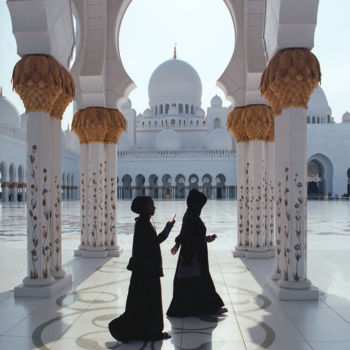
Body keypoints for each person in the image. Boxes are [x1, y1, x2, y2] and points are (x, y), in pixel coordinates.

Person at [108, 196, 175, 342]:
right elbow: (152, 244)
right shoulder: (143, 225)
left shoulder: (143, 223)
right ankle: (146, 332)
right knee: (148, 302)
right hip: (146, 271)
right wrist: (168, 229)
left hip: (146, 269)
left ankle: (149, 331)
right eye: (151, 205)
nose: (154, 207)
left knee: (145, 302)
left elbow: (152, 243)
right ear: (144, 208)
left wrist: (167, 229)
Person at [167, 189, 228, 317]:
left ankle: (201, 308)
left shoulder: (189, 214)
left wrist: (177, 244)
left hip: (193, 252)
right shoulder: (192, 217)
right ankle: (212, 307)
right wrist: (206, 239)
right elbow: (190, 236)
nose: (201, 208)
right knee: (202, 280)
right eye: (201, 205)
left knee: (192, 281)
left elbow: (185, 233)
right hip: (194, 254)